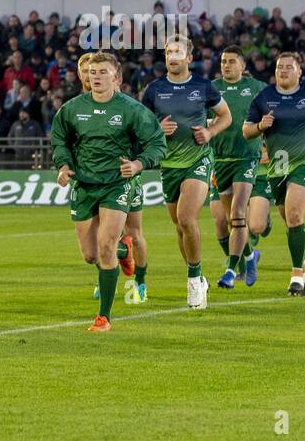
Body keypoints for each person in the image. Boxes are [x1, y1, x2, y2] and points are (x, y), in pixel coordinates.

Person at [50, 51, 166, 332]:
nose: (97, 77)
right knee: (90, 255)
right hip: (84, 185)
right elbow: (60, 141)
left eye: (103, 72)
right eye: (92, 72)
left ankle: (104, 317)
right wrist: (63, 166)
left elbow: (157, 143)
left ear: (117, 77)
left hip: (117, 185)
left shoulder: (132, 109)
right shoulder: (72, 109)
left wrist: (138, 164)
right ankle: (124, 251)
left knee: (105, 247)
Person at [141, 35, 232, 302]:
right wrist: (156, 130)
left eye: (178, 51)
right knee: (180, 227)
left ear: (189, 58)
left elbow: (225, 116)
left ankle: (193, 281)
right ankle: (198, 274)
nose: (172, 56)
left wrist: (210, 131)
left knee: (186, 218)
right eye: (169, 52)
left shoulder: (204, 87)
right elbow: (140, 127)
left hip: (198, 160)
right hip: (168, 164)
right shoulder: (154, 89)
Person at [242, 52, 305, 296]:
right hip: (277, 168)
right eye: (279, 67)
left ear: (299, 72)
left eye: (288, 67)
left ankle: (296, 274)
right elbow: (246, 131)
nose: (283, 71)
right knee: (290, 222)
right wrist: (259, 127)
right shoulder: (264, 97)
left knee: (296, 215)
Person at [208, 46, 267, 287]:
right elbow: (199, 118)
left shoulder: (258, 89)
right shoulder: (211, 89)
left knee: (237, 212)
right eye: (223, 61)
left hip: (246, 158)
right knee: (228, 222)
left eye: (232, 61)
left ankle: (230, 273)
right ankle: (251, 256)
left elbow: (275, 119)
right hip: (220, 160)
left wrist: (268, 148)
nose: (226, 65)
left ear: (243, 66)